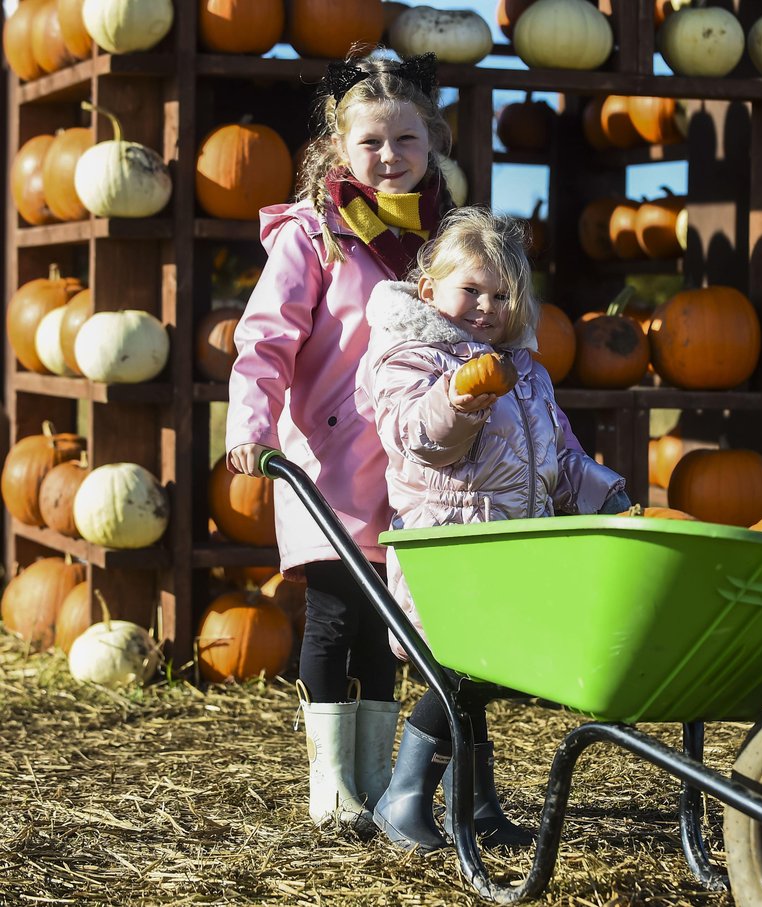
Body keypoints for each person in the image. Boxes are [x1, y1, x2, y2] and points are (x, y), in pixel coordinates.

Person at [224, 50, 454, 835]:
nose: (390, 157)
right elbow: (265, 341)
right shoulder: (314, 234)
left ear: (432, 144)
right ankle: (333, 788)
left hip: (409, 467)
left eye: (407, 141)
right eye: (372, 144)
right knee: (330, 616)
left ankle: (379, 779)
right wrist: (249, 426)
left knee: (383, 630)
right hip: (325, 465)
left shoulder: (441, 240)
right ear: (337, 148)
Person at [359, 206, 630, 851]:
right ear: (430, 290)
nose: (485, 307)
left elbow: (561, 458)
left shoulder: (527, 373)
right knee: (463, 673)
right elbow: (419, 438)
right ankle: (404, 798)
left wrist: (611, 501)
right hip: (449, 552)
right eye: (470, 290)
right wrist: (457, 401)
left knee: (484, 671)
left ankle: (473, 806)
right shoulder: (410, 357)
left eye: (501, 295)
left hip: (511, 553)